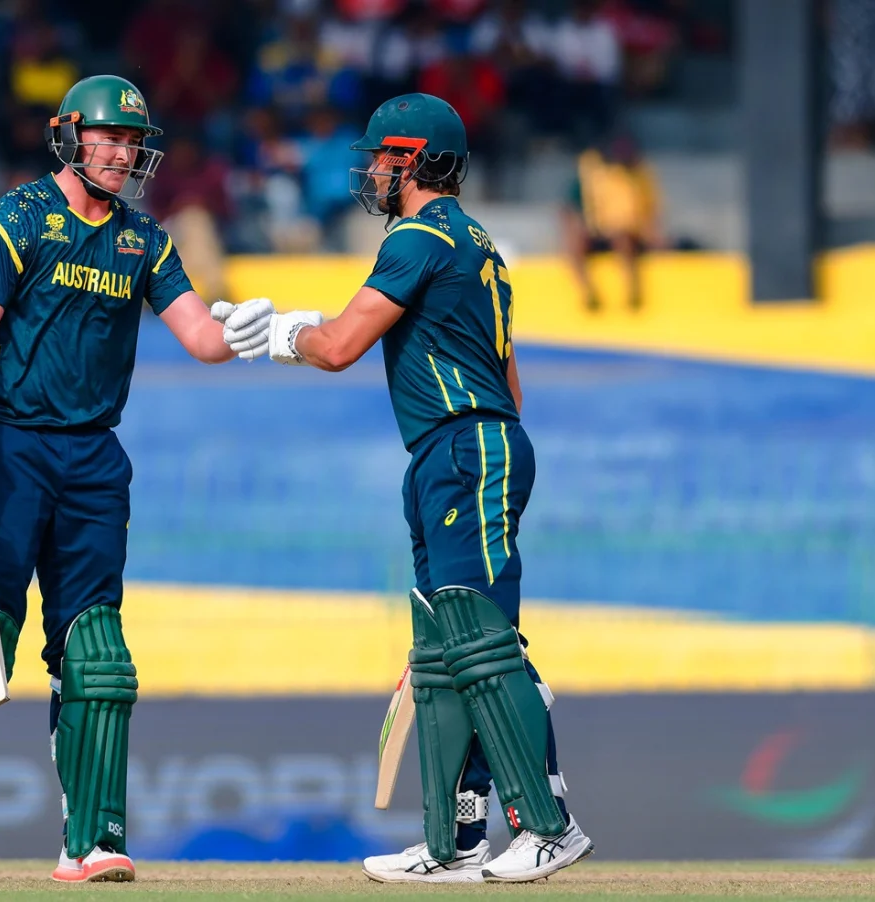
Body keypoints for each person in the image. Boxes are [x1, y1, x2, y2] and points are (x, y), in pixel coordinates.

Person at [0, 75, 274, 885]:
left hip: (94, 461)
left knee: (98, 653)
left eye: (132, 142)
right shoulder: (15, 220)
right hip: (13, 448)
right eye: (108, 139)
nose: (123, 154)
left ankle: (91, 839)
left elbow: (197, 334)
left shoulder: (143, 240)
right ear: (69, 138)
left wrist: (249, 331)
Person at [220, 94, 594, 884]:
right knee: (443, 654)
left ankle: (547, 823)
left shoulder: (419, 236)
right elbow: (512, 385)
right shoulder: (478, 242)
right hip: (456, 446)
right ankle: (455, 842)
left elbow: (339, 346)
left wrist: (278, 334)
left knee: (483, 645)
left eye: (383, 159)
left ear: (416, 159)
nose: (372, 173)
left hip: (463, 447)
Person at [562, 131, 664, 311]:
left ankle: (633, 294)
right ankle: (589, 294)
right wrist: (580, 226)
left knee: (622, 239)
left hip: (628, 232)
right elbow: (571, 206)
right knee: (574, 243)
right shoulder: (593, 172)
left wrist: (652, 233)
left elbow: (651, 209)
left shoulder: (640, 175)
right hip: (599, 231)